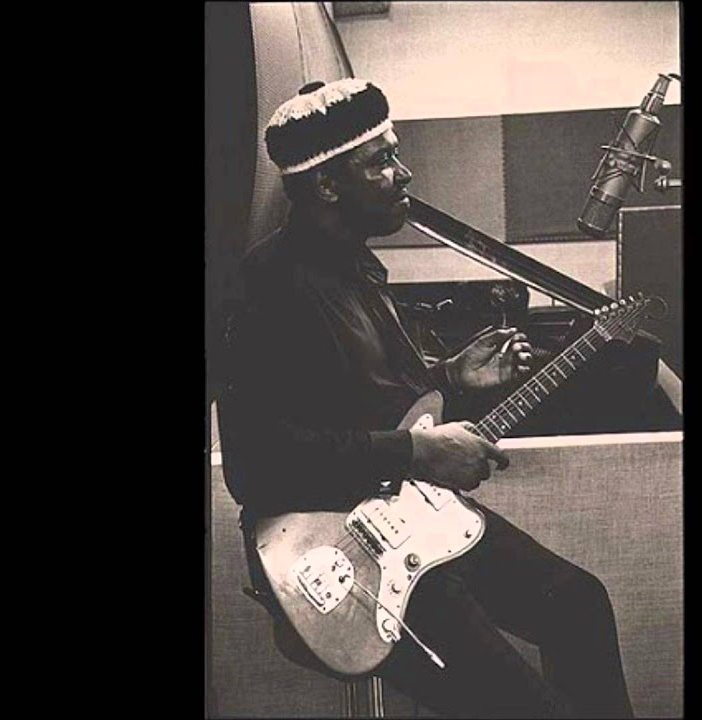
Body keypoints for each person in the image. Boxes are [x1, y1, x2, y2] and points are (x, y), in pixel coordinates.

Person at [224, 78, 634, 718]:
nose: (404, 172)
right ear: (327, 185)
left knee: (577, 603)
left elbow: (356, 402)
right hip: (339, 553)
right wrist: (416, 453)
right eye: (381, 161)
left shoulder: (359, 269)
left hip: (406, 515)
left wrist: (449, 379)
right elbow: (258, 462)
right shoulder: (268, 283)